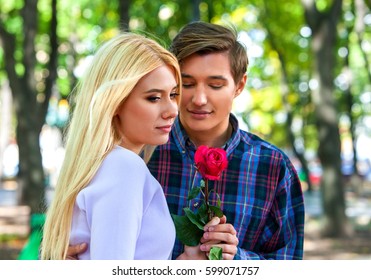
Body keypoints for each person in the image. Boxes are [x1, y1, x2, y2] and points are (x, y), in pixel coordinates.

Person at [68, 21, 305, 260]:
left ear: (239, 86)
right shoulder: (140, 150)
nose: (199, 99)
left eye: (215, 85)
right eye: (186, 84)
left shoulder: (273, 167)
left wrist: (235, 260)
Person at [40, 32, 183, 260]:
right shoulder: (123, 167)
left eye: (173, 94)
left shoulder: (103, 165)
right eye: (154, 98)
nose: (173, 110)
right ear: (115, 101)